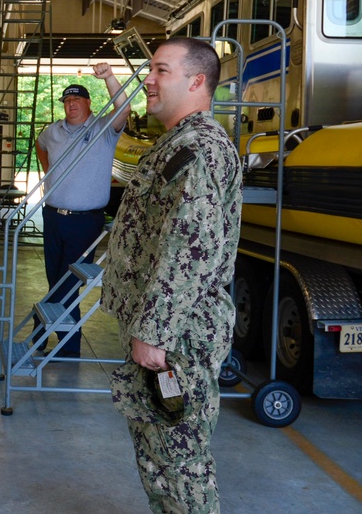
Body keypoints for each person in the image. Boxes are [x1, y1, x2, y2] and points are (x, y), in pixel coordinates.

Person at [101, 37, 241, 513]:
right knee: (158, 456)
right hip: (162, 332)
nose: (150, 80)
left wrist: (154, 333)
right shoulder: (176, 144)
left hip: (176, 337)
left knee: (180, 463)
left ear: (197, 81)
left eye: (161, 70)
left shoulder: (199, 149)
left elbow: (191, 249)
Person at [33, 64, 129, 357]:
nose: (71, 104)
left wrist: (109, 78)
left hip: (85, 222)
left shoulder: (104, 129)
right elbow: (40, 145)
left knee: (68, 282)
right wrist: (48, 173)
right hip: (53, 216)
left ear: (88, 104)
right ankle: (59, 340)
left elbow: (124, 109)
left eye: (77, 100)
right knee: (56, 279)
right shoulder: (53, 131)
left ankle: (50, 335)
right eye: (67, 101)